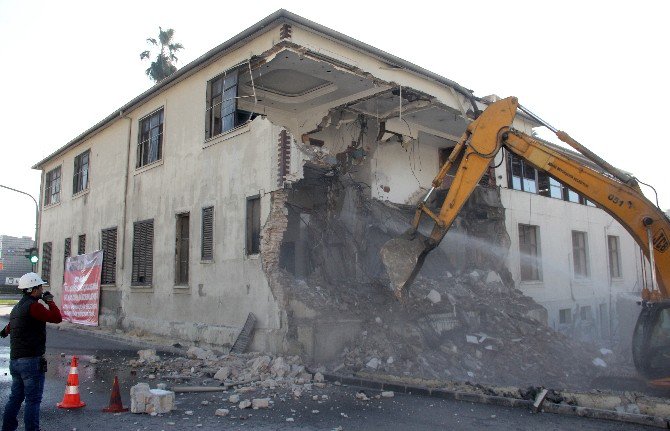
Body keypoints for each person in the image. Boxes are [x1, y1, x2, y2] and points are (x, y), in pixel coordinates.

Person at [1, 272, 62, 431]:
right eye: (40, 287)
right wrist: (50, 302)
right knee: (33, 400)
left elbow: (10, 327)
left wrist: (5, 331)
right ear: (33, 289)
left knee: (15, 399)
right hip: (31, 361)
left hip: (15, 361)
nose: (42, 290)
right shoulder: (34, 306)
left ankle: (7, 428)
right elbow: (56, 318)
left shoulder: (17, 307)